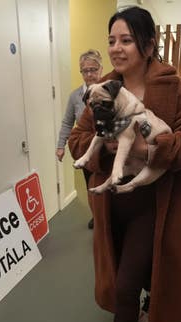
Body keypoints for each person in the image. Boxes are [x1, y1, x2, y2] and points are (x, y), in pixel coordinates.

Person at [68, 6, 181, 322]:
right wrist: (110, 147)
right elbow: (80, 141)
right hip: (113, 204)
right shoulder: (104, 90)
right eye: (112, 39)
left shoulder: (172, 87)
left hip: (154, 203)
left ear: (148, 45)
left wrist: (155, 147)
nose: (116, 48)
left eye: (126, 39)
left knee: (126, 281)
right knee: (128, 269)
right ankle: (142, 304)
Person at [57, 49, 103, 228]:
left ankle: (108, 218)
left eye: (93, 69)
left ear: (101, 69)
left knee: (108, 184)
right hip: (86, 150)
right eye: (85, 70)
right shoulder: (75, 96)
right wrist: (61, 146)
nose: (90, 74)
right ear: (81, 72)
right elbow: (68, 122)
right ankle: (97, 215)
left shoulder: (111, 89)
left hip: (108, 148)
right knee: (91, 184)